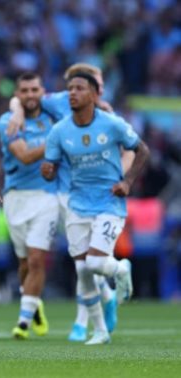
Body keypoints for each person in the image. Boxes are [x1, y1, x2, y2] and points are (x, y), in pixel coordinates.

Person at [8, 63, 130, 341]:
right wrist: (16, 109)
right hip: (63, 192)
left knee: (90, 260)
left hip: (97, 196)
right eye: (88, 83)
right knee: (82, 262)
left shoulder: (107, 115)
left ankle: (83, 321)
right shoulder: (60, 102)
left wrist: (121, 177)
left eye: (97, 83)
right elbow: (25, 95)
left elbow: (131, 149)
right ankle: (105, 299)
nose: (95, 88)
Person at [41, 72, 150, 345]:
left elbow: (142, 150)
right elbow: (51, 168)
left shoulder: (112, 124)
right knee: (83, 271)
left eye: (79, 88)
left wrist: (127, 181)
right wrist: (48, 170)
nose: (72, 93)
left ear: (94, 94)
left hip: (109, 203)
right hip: (77, 205)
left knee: (95, 262)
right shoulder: (59, 131)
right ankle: (100, 331)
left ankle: (121, 269)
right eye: (70, 89)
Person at [0, 72, 58, 340]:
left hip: (47, 196)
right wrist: (59, 140)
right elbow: (24, 156)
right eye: (25, 90)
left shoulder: (53, 118)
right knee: (23, 262)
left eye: (35, 89)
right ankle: (34, 304)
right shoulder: (7, 122)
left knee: (35, 258)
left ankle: (22, 322)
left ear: (42, 92)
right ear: (17, 95)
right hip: (16, 197)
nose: (31, 95)